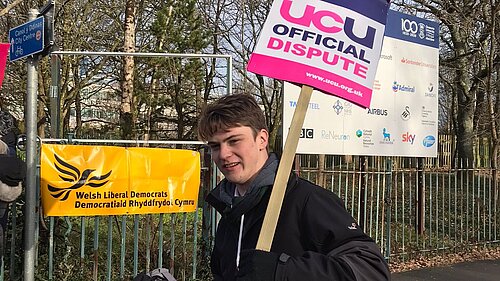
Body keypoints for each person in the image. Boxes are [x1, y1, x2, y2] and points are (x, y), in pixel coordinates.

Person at [198, 94, 390, 281]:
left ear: (262, 139)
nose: (223, 154)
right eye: (215, 146)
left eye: (234, 141)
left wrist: (283, 271)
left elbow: (371, 269)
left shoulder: (306, 199)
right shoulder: (229, 210)